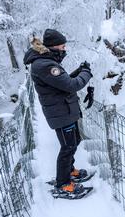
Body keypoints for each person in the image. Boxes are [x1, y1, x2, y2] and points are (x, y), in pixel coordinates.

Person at [23, 29, 95, 199]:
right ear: (54, 46)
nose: (64, 49)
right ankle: (63, 183)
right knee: (68, 146)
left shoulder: (45, 61)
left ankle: (69, 171)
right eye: (62, 46)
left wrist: (79, 70)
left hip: (64, 110)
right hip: (61, 112)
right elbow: (70, 85)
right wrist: (86, 73)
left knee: (74, 141)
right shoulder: (46, 65)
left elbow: (62, 82)